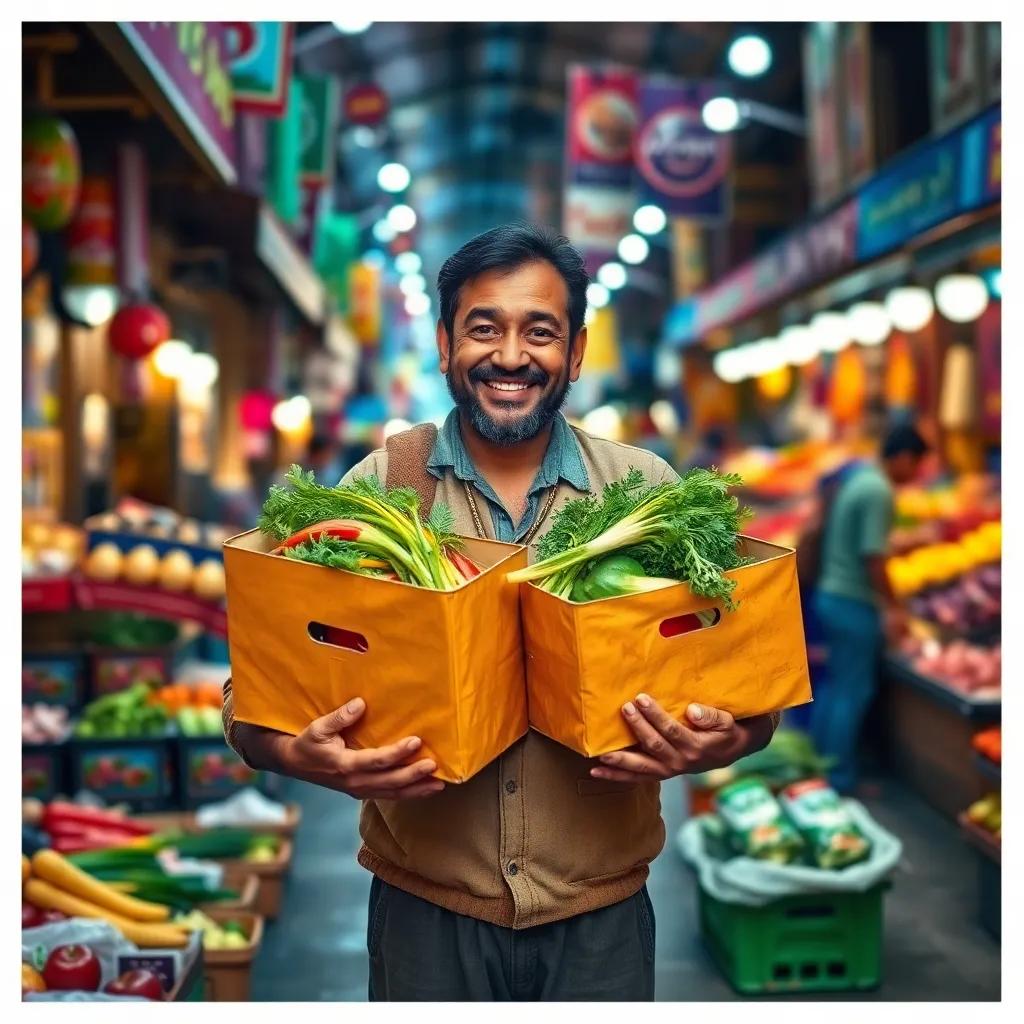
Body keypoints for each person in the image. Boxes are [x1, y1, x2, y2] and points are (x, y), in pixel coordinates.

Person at [221, 224, 779, 1001]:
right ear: (445, 343)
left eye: (539, 331)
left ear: (576, 353)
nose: (511, 356)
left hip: (602, 923)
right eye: (484, 327)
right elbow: (251, 697)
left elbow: (753, 693)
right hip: (426, 921)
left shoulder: (644, 487)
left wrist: (715, 744)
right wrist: (297, 755)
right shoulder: (387, 486)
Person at [810, 423, 929, 794]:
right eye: (918, 466)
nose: (917, 475)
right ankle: (840, 780)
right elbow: (873, 557)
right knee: (853, 690)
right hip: (852, 602)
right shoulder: (878, 490)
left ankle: (819, 767)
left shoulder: (859, 477)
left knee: (835, 687)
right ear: (905, 458)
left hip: (831, 595)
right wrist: (893, 608)